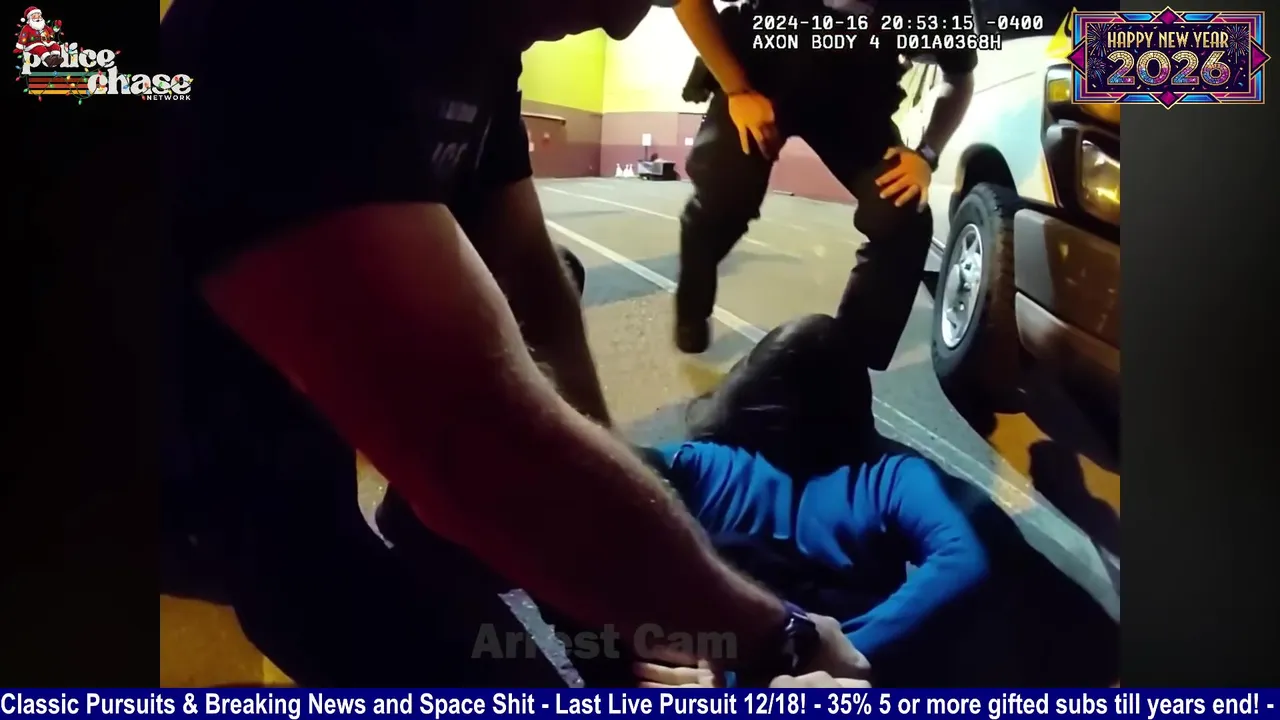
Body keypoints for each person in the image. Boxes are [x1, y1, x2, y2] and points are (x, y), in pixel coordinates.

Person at [161, 0, 869, 687]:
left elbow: (531, 275)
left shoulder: (481, 41)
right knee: (347, 593)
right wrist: (774, 637)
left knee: (553, 292)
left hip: (308, 375)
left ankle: (438, 530)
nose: (624, 25)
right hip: (189, 441)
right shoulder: (283, 25)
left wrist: (616, 548)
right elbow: (473, 435)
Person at [635, 315, 994, 686]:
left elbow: (619, 474)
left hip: (717, 665)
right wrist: (835, 651)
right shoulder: (889, 475)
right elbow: (966, 559)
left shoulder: (701, 463)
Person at [669, 0, 976, 366]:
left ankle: (845, 362)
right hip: (762, 73)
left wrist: (926, 154)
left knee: (904, 212)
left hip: (855, 98)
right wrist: (736, 90)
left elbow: (959, 78)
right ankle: (693, 301)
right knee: (726, 192)